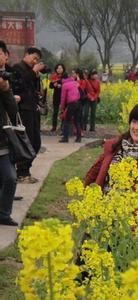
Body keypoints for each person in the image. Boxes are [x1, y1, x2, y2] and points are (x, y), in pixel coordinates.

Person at [12, 47, 45, 184]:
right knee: (27, 141)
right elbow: (18, 84)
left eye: (37, 59)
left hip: (32, 109)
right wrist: (33, 72)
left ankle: (25, 169)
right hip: (23, 110)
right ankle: (22, 172)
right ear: (26, 54)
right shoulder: (17, 68)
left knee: (36, 142)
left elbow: (33, 89)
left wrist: (37, 78)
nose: (35, 61)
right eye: (34, 58)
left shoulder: (32, 72)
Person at [0, 40, 19, 226]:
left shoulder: (4, 80)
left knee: (10, 178)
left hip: (2, 139)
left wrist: (6, 91)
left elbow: (13, 112)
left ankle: (4, 214)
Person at [59, 73, 82, 143]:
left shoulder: (64, 85)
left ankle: (65, 138)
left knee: (67, 120)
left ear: (62, 79)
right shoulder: (75, 82)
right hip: (79, 103)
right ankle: (78, 138)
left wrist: (62, 107)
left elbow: (63, 97)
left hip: (72, 104)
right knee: (77, 121)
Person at [49, 63, 66, 132]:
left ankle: (62, 126)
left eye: (60, 68)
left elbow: (67, 84)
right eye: (58, 68)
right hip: (56, 95)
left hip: (63, 96)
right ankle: (54, 127)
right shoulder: (54, 76)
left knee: (63, 111)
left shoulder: (65, 76)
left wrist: (61, 86)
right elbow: (50, 86)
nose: (59, 70)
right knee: (55, 112)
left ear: (63, 69)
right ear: (56, 69)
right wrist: (54, 85)